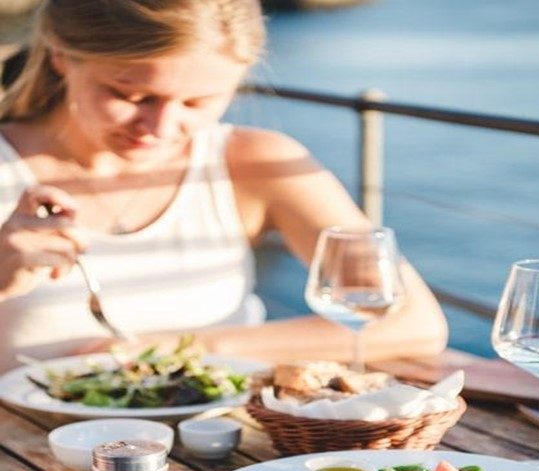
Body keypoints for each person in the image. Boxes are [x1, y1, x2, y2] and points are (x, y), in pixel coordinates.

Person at [0, 0, 447, 374]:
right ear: (61, 55)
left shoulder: (256, 162)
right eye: (133, 96)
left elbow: (414, 323)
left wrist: (172, 349)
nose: (161, 127)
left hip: (227, 450)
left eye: (198, 102)